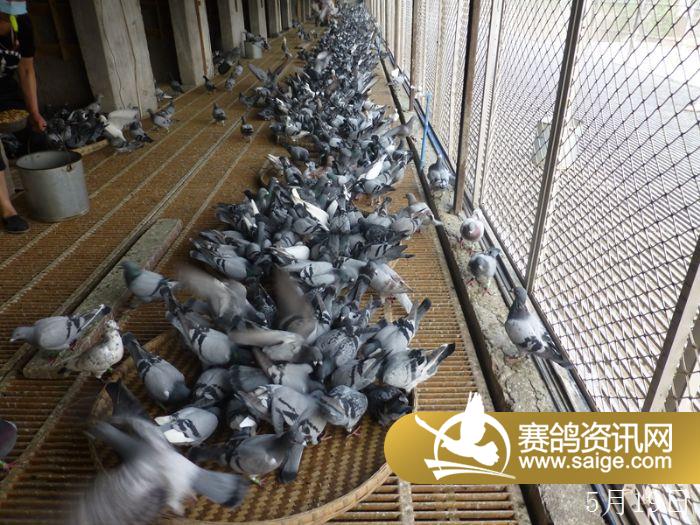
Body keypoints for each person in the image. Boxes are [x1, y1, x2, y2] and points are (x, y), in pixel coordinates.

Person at [0, 0, 45, 234]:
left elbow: (26, 69)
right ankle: (8, 210)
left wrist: (34, 112)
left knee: (37, 135)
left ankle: (47, 194)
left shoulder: (22, 23)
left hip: (5, 87)